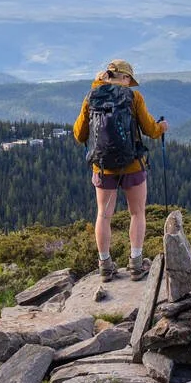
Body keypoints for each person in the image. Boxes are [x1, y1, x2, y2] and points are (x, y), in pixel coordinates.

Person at [74, 59, 168, 282]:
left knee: (103, 215)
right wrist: (162, 127)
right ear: (125, 78)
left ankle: (105, 266)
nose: (130, 83)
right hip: (132, 164)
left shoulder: (91, 97)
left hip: (103, 166)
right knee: (137, 213)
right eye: (129, 79)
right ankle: (136, 263)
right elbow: (150, 130)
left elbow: (79, 134)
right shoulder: (133, 98)